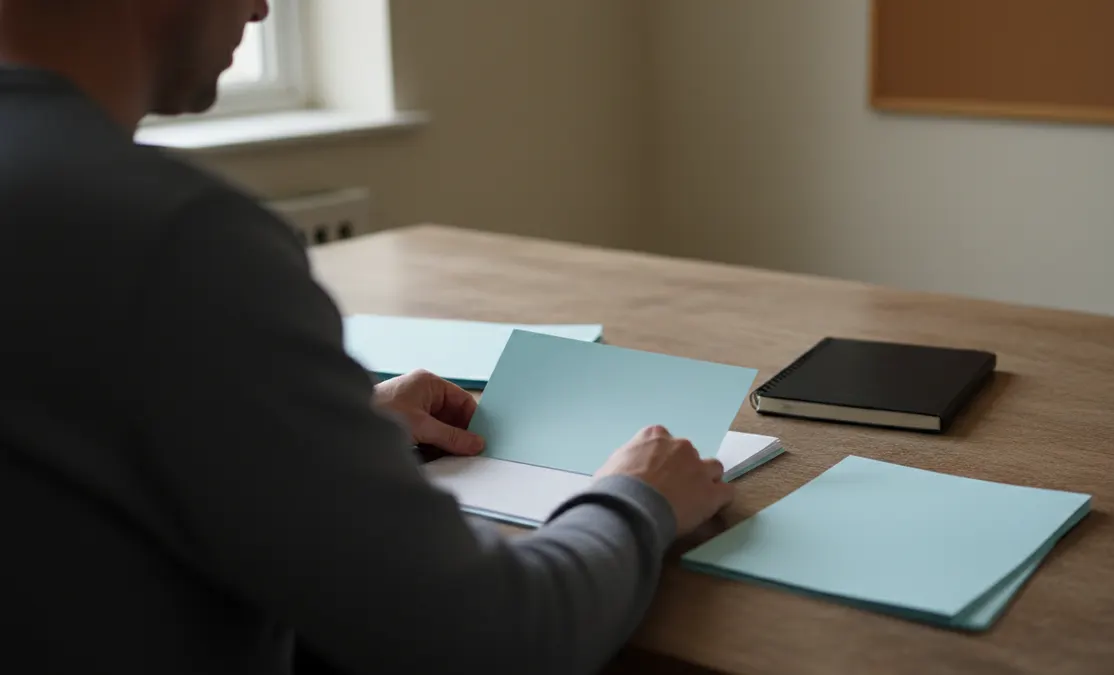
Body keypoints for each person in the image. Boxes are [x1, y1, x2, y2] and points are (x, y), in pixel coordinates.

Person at [0, 1, 736, 674]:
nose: (261, 8)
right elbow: (496, 638)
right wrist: (638, 500)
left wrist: (308, 429)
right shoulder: (174, 239)